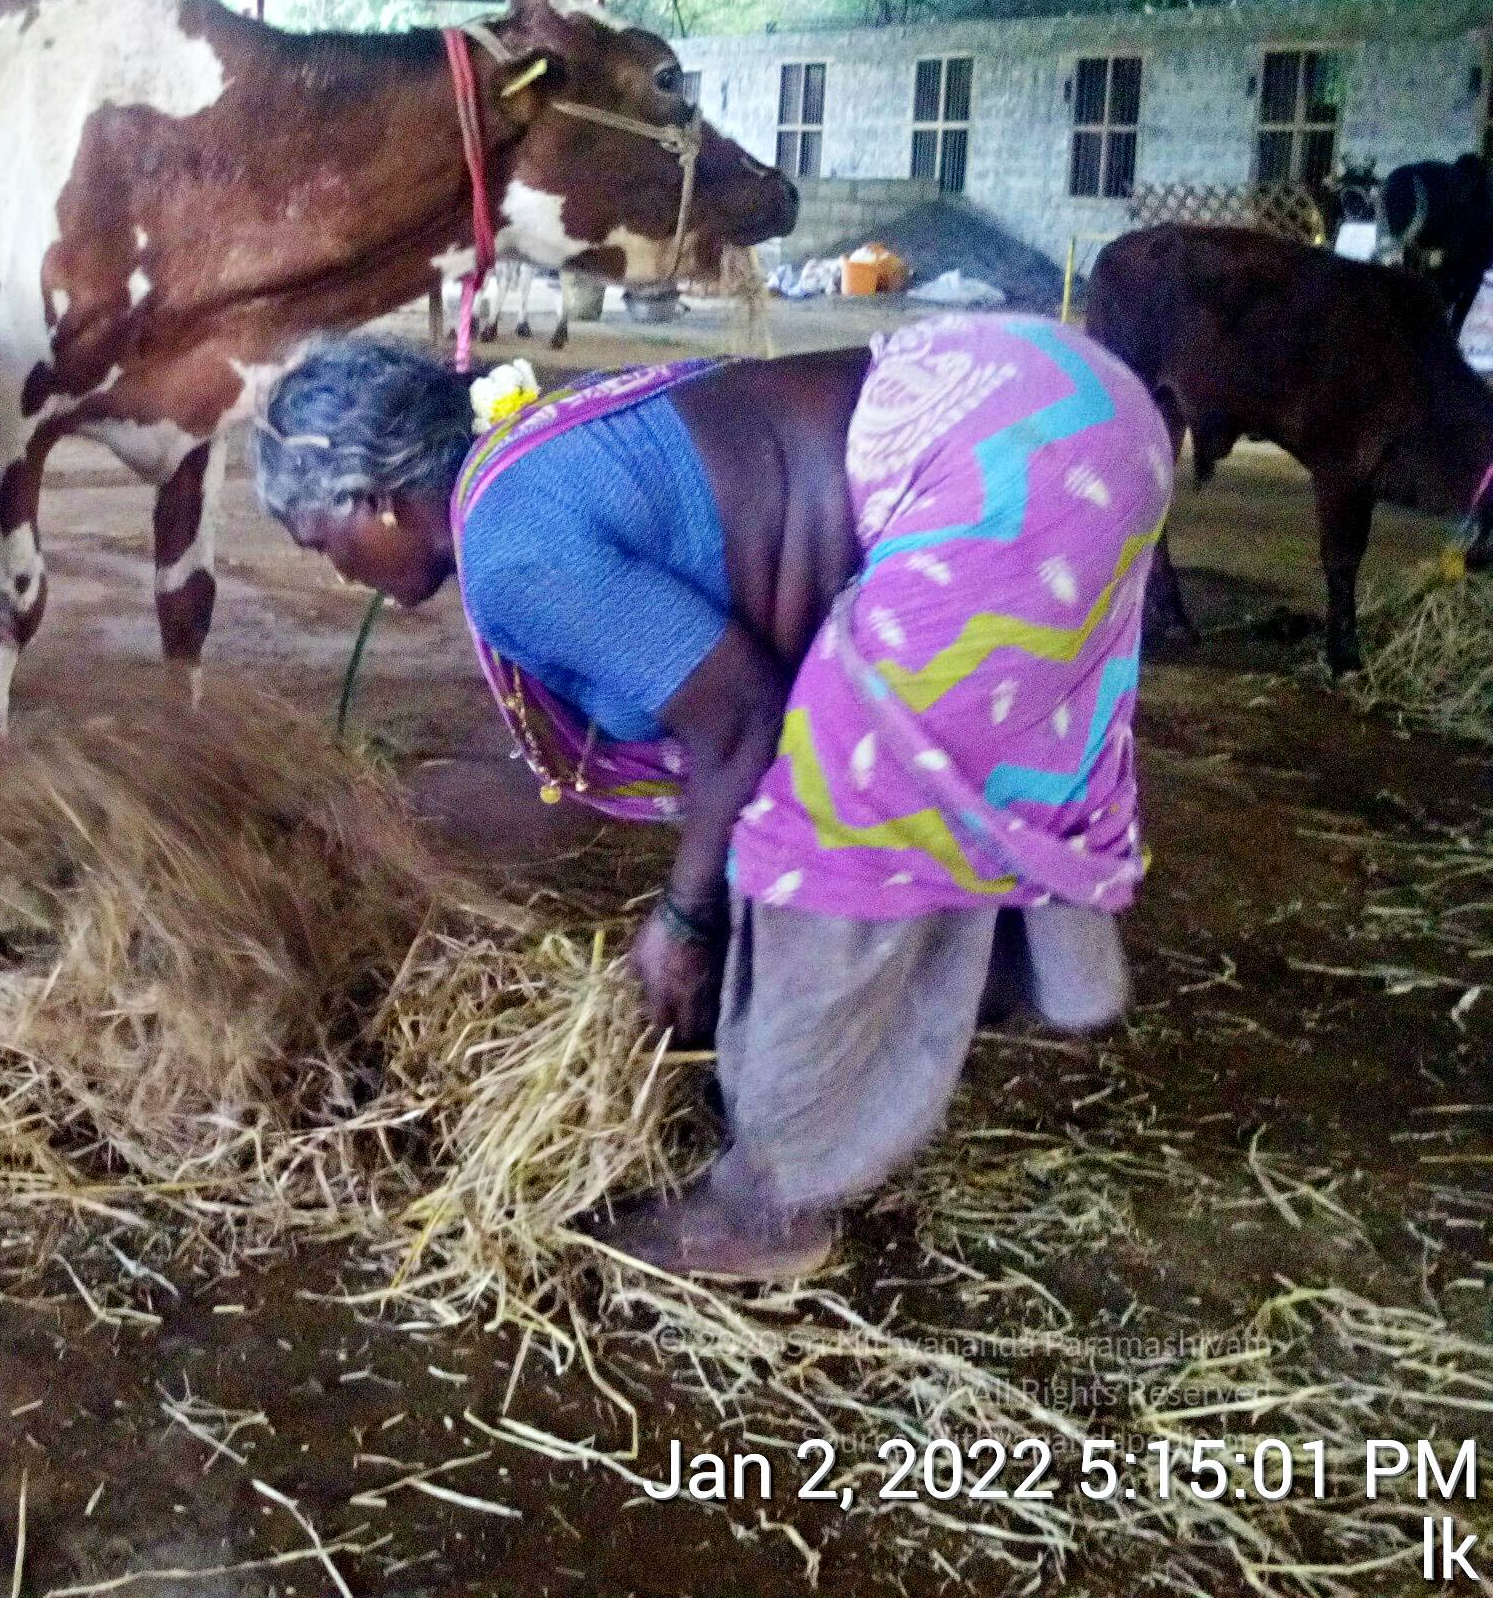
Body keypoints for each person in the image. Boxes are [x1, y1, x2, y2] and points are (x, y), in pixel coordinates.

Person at [253, 316, 1171, 1279]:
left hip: (995, 458)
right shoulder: (528, 447)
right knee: (928, 738)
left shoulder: (511, 552)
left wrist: (685, 924)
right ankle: (1004, 992)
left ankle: (768, 1208)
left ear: (377, 503)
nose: (341, 574)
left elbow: (741, 719)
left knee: (828, 821)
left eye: (324, 545)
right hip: (1046, 398)